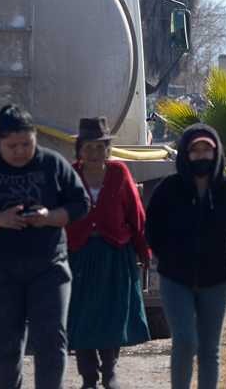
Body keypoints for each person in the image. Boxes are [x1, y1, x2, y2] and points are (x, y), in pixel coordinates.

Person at [0, 105, 90, 389]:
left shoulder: (52, 164)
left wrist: (49, 217)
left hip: (49, 267)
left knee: (52, 342)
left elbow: (80, 204)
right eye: (11, 145)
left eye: (26, 144)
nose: (19, 151)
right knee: (5, 345)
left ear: (36, 137)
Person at [144, 123, 226, 389]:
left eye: (206, 150)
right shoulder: (169, 189)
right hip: (175, 279)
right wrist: (165, 256)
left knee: (210, 349)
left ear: (216, 153)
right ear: (185, 154)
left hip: (217, 280)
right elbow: (152, 228)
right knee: (185, 342)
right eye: (194, 150)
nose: (201, 156)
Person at [65, 117, 152, 389]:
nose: (94, 153)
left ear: (108, 150)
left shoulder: (118, 174)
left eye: (100, 147)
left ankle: (110, 371)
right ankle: (88, 377)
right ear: (80, 149)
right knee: (81, 317)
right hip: (79, 254)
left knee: (112, 316)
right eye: (88, 147)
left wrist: (144, 251)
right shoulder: (70, 174)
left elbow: (136, 215)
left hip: (114, 254)